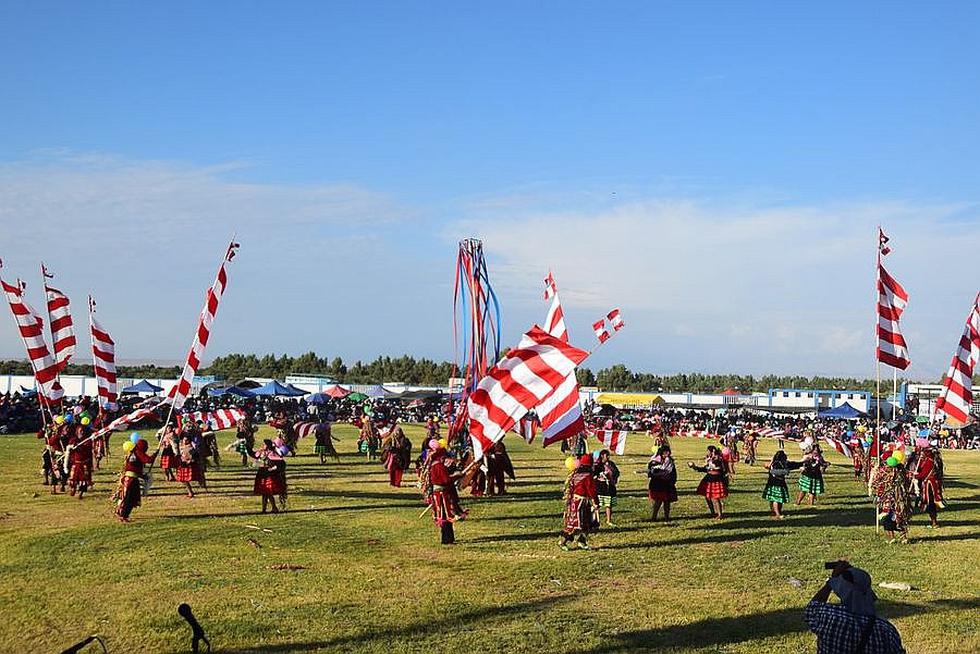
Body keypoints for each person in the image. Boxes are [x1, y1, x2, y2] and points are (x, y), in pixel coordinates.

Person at [805, 560, 906, 653]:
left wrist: (831, 582)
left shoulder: (829, 618)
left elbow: (812, 607)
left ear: (841, 591)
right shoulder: (886, 630)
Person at [424, 440, 466, 544]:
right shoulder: (438, 466)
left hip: (442, 493)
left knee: (446, 517)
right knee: (445, 517)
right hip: (441, 494)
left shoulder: (436, 464)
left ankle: (449, 539)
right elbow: (445, 480)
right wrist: (457, 476)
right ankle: (446, 539)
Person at [559, 454, 599, 551]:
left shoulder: (575, 474)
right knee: (578, 524)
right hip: (581, 502)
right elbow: (591, 490)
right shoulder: (588, 476)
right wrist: (596, 502)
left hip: (574, 501)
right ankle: (562, 542)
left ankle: (582, 541)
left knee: (583, 523)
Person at [115, 438, 156, 523]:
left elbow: (135, 468)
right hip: (130, 480)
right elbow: (149, 460)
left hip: (132, 478)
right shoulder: (138, 452)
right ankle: (122, 515)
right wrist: (155, 454)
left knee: (133, 498)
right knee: (128, 498)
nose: (147, 448)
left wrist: (143, 476)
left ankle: (125, 514)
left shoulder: (134, 453)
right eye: (146, 446)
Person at [871, 458, 911, 543]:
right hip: (898, 500)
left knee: (892, 519)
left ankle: (895, 538)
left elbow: (877, 484)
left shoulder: (887, 474)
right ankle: (900, 538)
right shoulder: (901, 472)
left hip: (893, 500)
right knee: (899, 518)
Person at [690, 445, 728, 519]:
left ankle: (720, 514)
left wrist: (711, 460)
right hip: (709, 478)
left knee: (715, 498)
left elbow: (718, 468)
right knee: (707, 497)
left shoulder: (719, 459)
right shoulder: (710, 459)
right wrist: (695, 467)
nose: (707, 453)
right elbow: (706, 469)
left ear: (712, 451)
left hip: (716, 479)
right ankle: (712, 513)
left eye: (708, 451)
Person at [910, 445, 944, 528]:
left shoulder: (930, 461)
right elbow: (920, 469)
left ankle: (934, 522)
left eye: (922, 453)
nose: (921, 455)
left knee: (930, 503)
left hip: (930, 486)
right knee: (930, 504)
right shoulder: (926, 460)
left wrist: (915, 476)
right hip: (928, 484)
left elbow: (923, 474)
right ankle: (933, 521)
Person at [763, 450, 802, 519]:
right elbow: (774, 472)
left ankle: (776, 512)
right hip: (775, 484)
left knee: (778, 499)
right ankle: (777, 514)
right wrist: (785, 471)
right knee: (776, 499)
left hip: (779, 483)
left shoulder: (783, 463)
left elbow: (794, 465)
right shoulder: (776, 464)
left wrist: (803, 463)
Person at [253, 439, 286, 514]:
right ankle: (265, 509)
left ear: (268, 446)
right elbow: (255, 456)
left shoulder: (273, 454)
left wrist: (272, 469)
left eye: (265, 444)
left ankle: (273, 507)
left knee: (267, 492)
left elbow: (279, 464)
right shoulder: (261, 452)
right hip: (262, 474)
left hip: (269, 475)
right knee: (264, 493)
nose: (263, 446)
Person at [645, 444, 677, 522]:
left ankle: (667, 517)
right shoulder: (655, 459)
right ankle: (654, 517)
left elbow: (669, 471)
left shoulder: (669, 461)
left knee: (667, 501)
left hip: (666, 483)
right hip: (658, 483)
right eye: (666, 452)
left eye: (668, 452)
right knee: (658, 501)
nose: (668, 453)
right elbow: (651, 468)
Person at [593, 449, 620, 527]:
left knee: (609, 504)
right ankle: (596, 520)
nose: (608, 457)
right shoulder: (597, 465)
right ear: (602, 456)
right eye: (606, 455)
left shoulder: (611, 464)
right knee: (597, 504)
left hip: (610, 487)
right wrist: (601, 476)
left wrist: (614, 478)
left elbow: (617, 472)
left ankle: (609, 520)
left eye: (609, 455)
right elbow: (594, 475)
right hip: (601, 488)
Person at [66, 428, 94, 499]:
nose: (81, 432)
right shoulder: (73, 439)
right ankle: (73, 488)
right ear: (77, 432)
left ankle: (81, 493)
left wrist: (79, 447)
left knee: (83, 479)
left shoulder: (87, 441)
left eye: (82, 431)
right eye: (80, 431)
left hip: (84, 463)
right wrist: (71, 447)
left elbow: (87, 450)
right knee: (73, 478)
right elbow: (69, 450)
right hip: (76, 463)